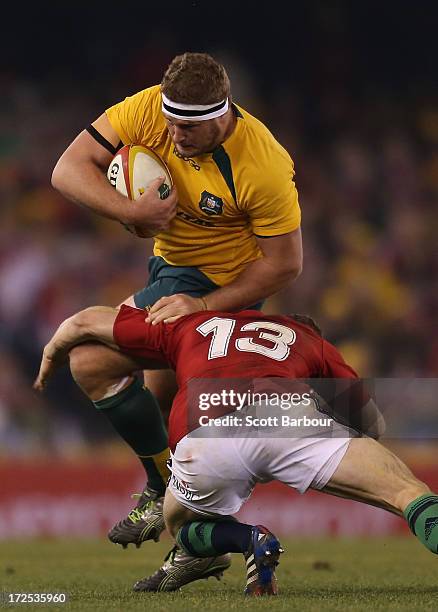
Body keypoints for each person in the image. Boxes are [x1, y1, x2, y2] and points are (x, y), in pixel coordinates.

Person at [50, 52, 303, 568]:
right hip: (170, 274)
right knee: (167, 412)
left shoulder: (264, 165)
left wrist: (203, 302)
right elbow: (66, 170)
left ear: (223, 112)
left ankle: (166, 499)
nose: (178, 134)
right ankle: (190, 528)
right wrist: (130, 211)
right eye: (172, 120)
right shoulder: (147, 110)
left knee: (91, 362)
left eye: (191, 125)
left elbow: (286, 264)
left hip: (223, 288)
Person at [34, 304, 437, 594]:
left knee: (180, 529)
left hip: (204, 436)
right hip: (288, 418)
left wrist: (52, 353)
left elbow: (85, 321)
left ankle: (249, 539)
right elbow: (372, 425)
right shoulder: (310, 341)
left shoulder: (192, 326)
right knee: (407, 492)